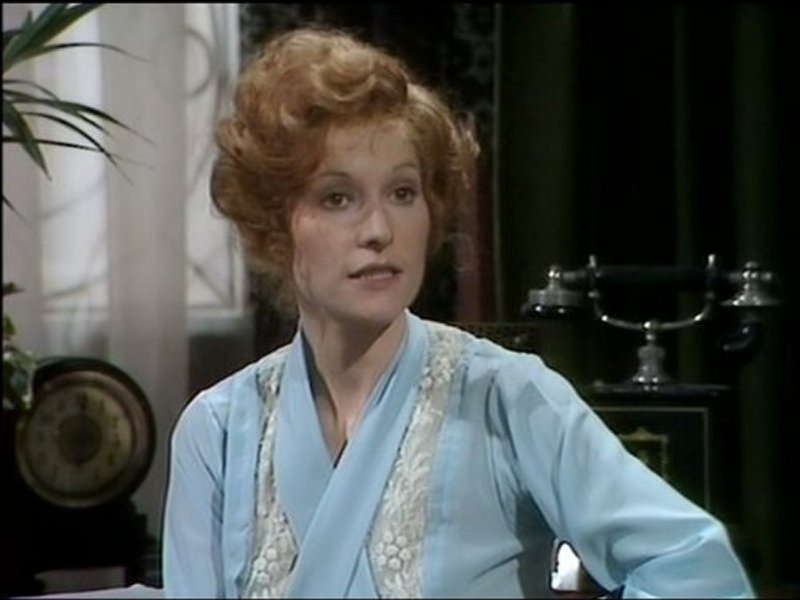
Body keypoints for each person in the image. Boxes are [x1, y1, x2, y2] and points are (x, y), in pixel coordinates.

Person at [161, 26, 755, 599]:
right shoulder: (219, 432)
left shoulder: (507, 397)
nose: (378, 229)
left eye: (403, 193)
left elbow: (696, 569)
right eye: (337, 198)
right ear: (273, 225)